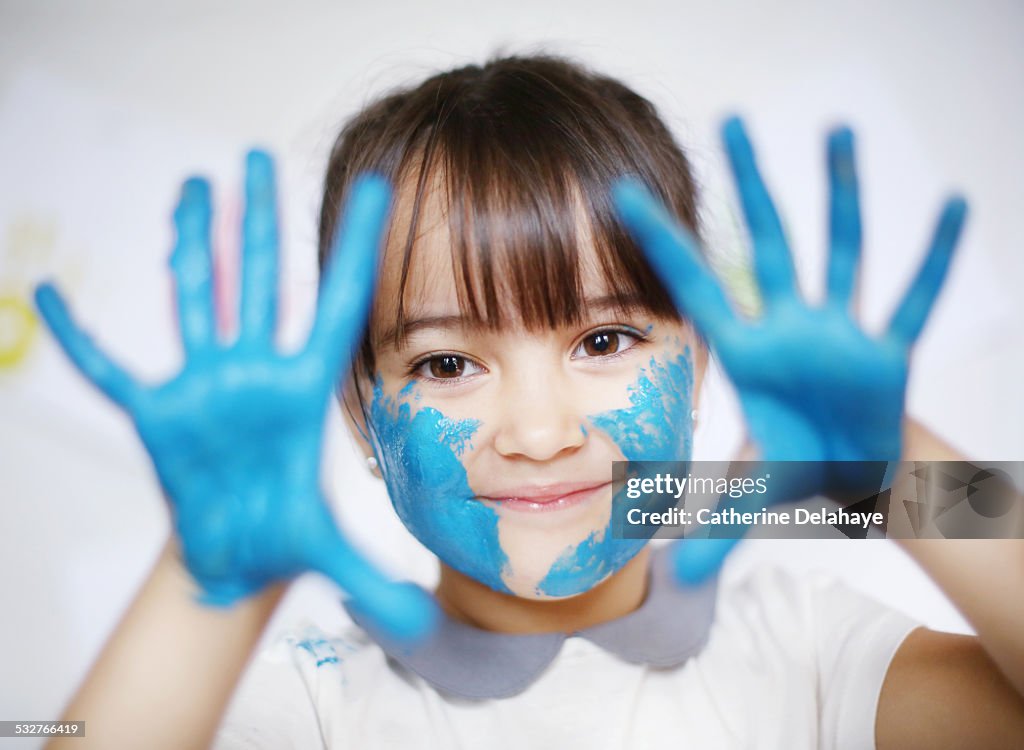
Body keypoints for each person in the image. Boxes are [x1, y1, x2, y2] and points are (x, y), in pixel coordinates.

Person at [37, 55, 1024, 749]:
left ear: (701, 366)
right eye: (444, 366)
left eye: (603, 341)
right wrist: (201, 585)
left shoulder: (802, 642)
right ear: (357, 416)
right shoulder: (307, 702)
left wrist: (893, 468)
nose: (542, 434)